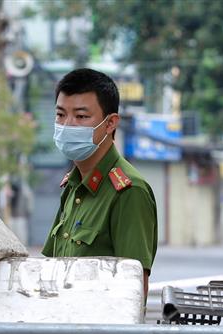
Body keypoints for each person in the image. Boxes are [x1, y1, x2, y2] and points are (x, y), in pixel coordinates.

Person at [41, 68, 158, 298]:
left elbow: (133, 292)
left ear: (110, 123)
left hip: (99, 333)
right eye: (60, 115)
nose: (68, 125)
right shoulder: (73, 185)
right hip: (63, 328)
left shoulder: (128, 191)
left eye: (82, 116)